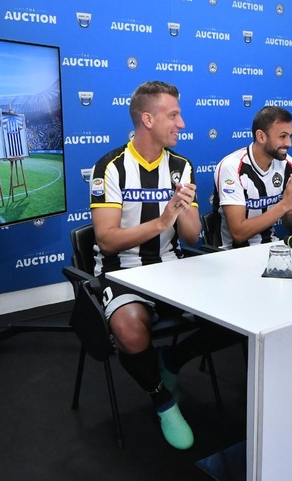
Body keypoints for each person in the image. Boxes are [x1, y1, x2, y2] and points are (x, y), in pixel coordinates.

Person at [89, 80, 211, 450]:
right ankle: (162, 400)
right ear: (147, 119)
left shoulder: (182, 166)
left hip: (171, 266)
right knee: (129, 330)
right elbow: (106, 239)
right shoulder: (110, 167)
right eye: (173, 115)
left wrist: (184, 207)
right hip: (122, 272)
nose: (182, 123)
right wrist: (160, 223)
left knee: (237, 314)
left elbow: (192, 236)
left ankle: (172, 358)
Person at [213, 106, 292, 248]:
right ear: (261, 136)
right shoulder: (231, 166)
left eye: (290, 136)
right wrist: (285, 205)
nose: (289, 143)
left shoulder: (288, 164)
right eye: (282, 136)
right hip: (231, 253)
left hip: (271, 247)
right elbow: (238, 234)